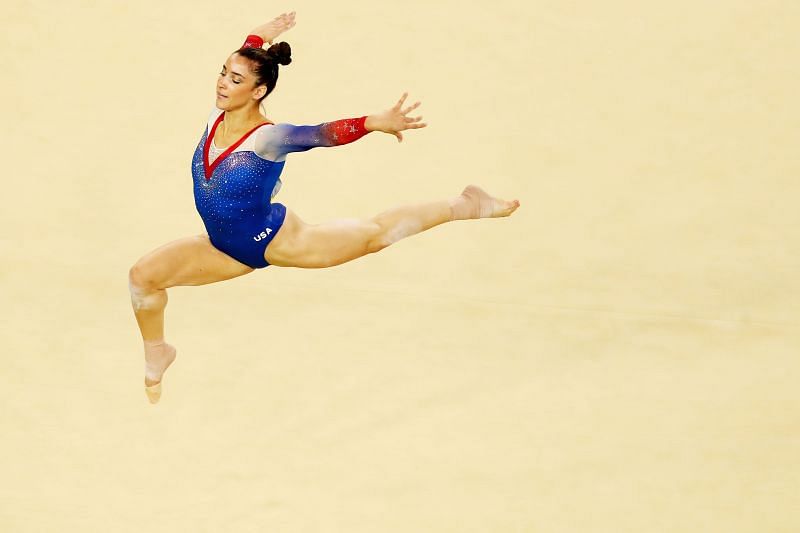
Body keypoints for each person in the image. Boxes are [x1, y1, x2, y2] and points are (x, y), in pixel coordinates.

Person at [128, 12, 520, 404]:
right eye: (223, 72)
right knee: (143, 277)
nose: (222, 83)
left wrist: (371, 122)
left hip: (272, 240)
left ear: (259, 91)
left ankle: (465, 204)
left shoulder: (268, 137)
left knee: (374, 235)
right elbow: (248, 56)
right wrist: (259, 36)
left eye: (235, 79)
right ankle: (158, 351)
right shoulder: (218, 116)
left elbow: (320, 135)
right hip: (221, 247)